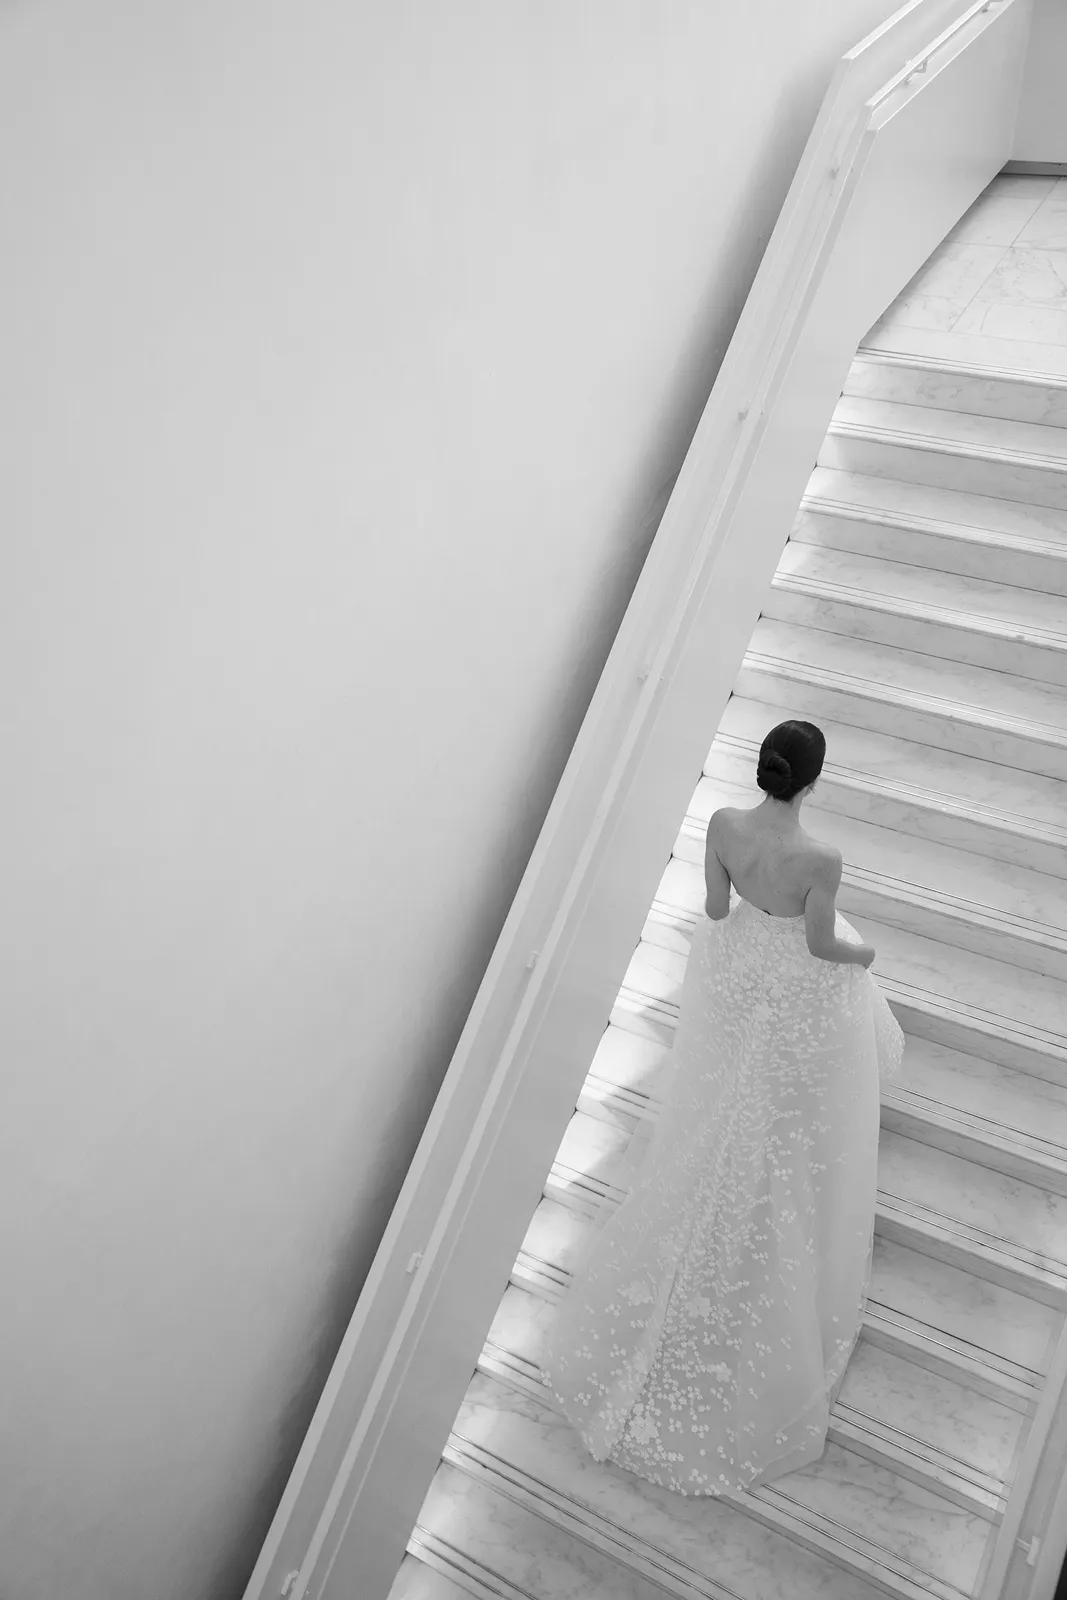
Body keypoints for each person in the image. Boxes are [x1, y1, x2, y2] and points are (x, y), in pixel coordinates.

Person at [540, 719, 905, 1496]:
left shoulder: (721, 825)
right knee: (844, 988)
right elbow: (818, 946)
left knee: (723, 1093)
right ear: (812, 781)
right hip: (792, 967)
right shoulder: (820, 858)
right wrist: (863, 953)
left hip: (739, 965)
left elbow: (712, 908)